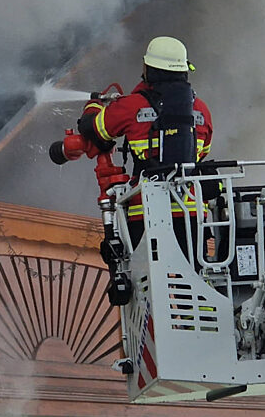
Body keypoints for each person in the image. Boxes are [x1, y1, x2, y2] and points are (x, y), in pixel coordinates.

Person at [77, 37, 213, 298]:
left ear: (149, 69)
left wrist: (94, 106)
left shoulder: (131, 106)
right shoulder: (202, 111)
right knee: (193, 281)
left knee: (145, 289)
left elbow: (95, 130)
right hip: (191, 213)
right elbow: (202, 152)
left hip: (145, 213)